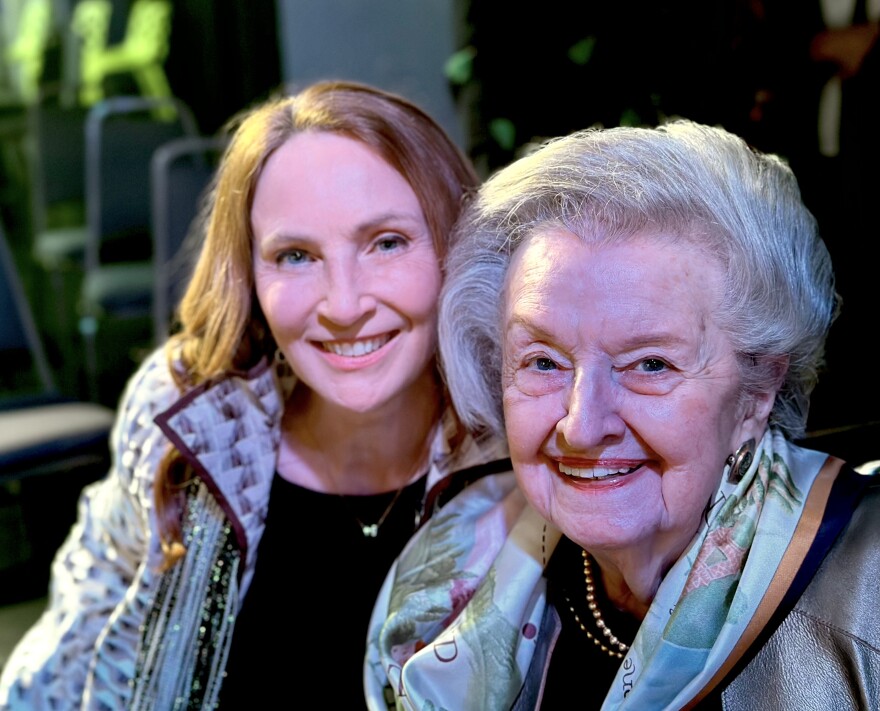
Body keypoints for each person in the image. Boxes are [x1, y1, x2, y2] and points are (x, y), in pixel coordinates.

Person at [0, 80, 512, 710]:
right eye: (296, 256)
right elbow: (81, 623)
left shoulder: (523, 440)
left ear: (458, 247)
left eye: (387, 242)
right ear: (249, 276)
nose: (344, 306)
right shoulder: (188, 418)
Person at [365, 119, 880, 710]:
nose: (582, 426)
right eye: (542, 361)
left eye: (651, 365)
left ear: (756, 393)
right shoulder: (441, 582)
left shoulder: (870, 597)